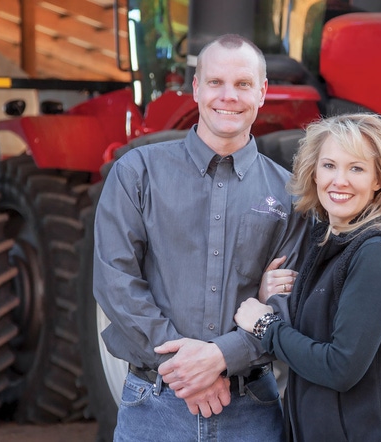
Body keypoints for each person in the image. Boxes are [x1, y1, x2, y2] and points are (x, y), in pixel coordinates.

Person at [92, 33, 308, 441]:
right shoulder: (137, 172)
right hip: (154, 407)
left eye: (243, 84)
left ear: (262, 92)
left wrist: (220, 357)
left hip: (251, 413)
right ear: (196, 88)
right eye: (215, 83)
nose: (229, 96)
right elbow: (115, 280)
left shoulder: (289, 194)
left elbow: (288, 300)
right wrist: (191, 369)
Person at [235, 113, 381, 441]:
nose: (339, 180)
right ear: (313, 172)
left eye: (356, 168)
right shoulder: (328, 241)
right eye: (329, 166)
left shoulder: (376, 251)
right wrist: (274, 294)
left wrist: (264, 326)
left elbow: (340, 367)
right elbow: (316, 331)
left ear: (378, 180)